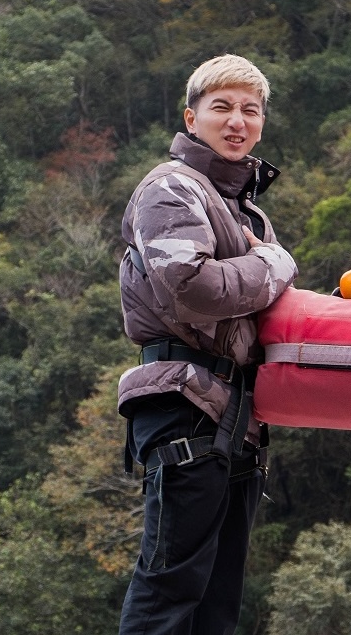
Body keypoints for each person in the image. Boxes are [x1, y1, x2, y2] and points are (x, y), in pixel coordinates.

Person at [116, 54, 297, 634]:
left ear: (262, 123)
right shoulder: (171, 188)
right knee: (171, 586)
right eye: (221, 108)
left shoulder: (249, 213)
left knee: (218, 600)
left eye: (250, 110)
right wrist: (273, 264)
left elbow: (267, 307)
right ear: (191, 119)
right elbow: (191, 287)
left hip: (238, 417)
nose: (237, 121)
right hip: (183, 403)